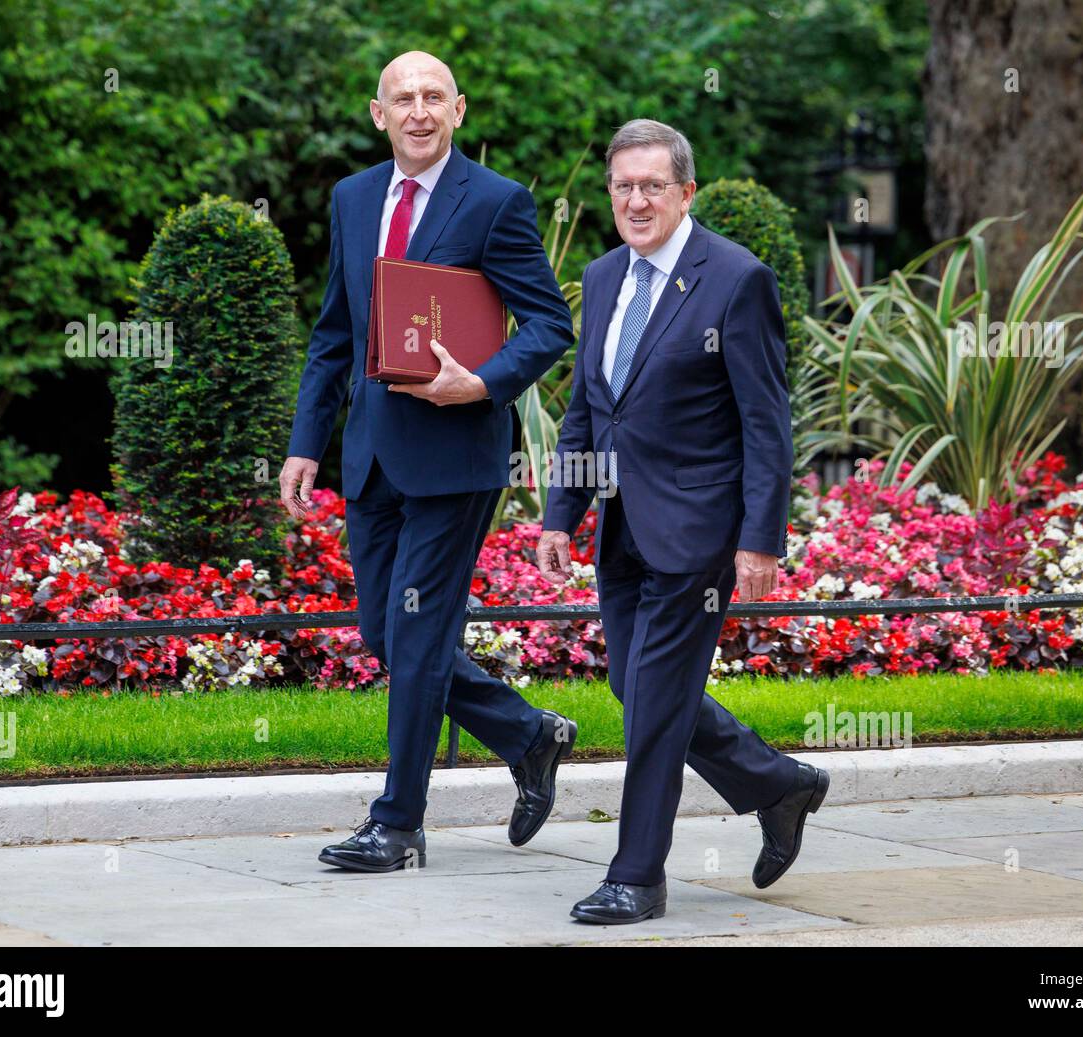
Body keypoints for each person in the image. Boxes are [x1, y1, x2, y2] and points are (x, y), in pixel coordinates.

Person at [281, 51, 577, 873]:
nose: (418, 111)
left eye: (433, 97)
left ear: (459, 111)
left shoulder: (497, 202)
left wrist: (481, 383)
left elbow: (550, 324)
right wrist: (307, 441)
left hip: (456, 457)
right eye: (402, 98)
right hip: (371, 454)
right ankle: (528, 732)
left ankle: (398, 822)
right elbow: (335, 332)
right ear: (379, 114)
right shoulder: (352, 197)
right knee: (386, 629)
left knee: (414, 637)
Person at [537, 119, 830, 924]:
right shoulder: (602, 278)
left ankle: (638, 875)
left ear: (686, 192)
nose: (635, 200)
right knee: (637, 689)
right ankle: (779, 784)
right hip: (622, 532)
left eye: (652, 186)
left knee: (656, 701)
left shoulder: (735, 279)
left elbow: (767, 423)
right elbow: (587, 415)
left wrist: (761, 539)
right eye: (623, 186)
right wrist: (561, 512)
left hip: (699, 530)